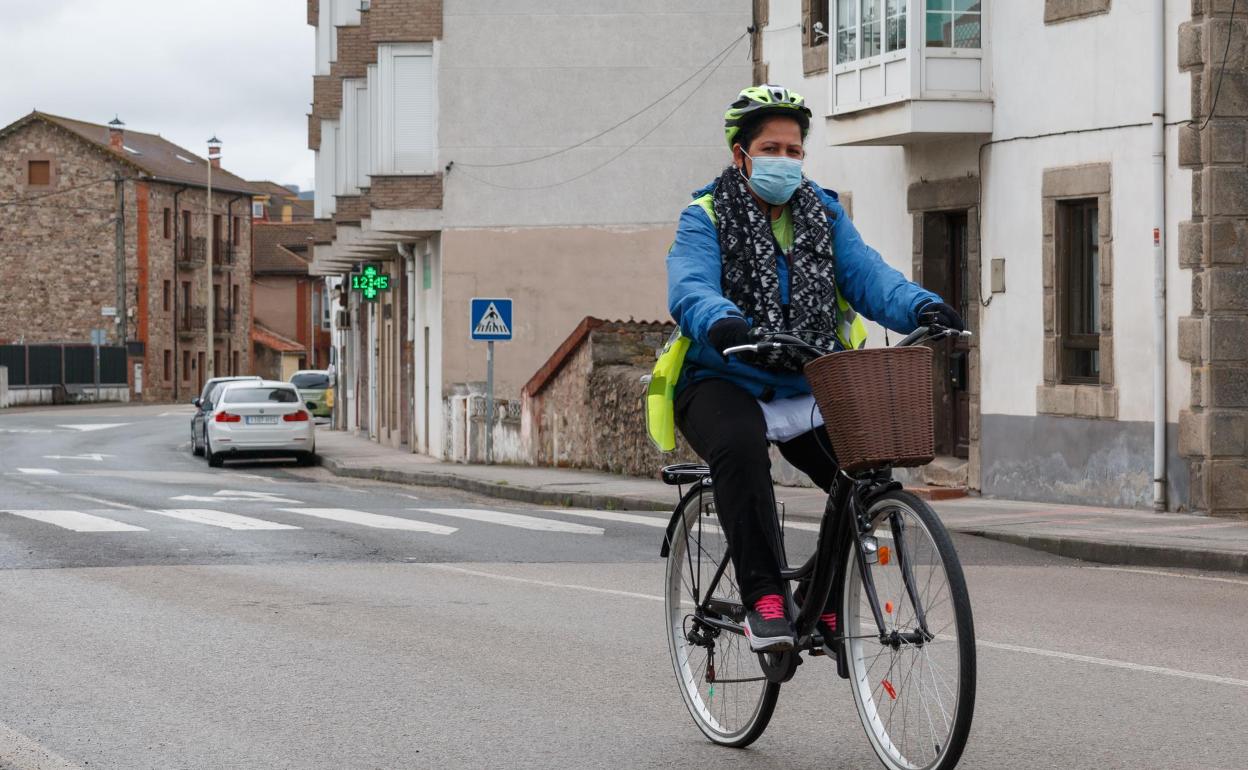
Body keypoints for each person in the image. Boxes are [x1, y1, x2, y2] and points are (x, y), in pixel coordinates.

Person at [666, 85, 964, 652]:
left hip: (803, 376)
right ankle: (765, 599)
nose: (785, 160)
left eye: (795, 150)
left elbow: (869, 277)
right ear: (741, 155)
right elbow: (690, 286)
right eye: (771, 148)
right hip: (721, 375)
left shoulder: (823, 214)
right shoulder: (703, 215)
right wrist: (725, 322)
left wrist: (920, 305)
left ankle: (826, 604)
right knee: (742, 451)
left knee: (862, 474)